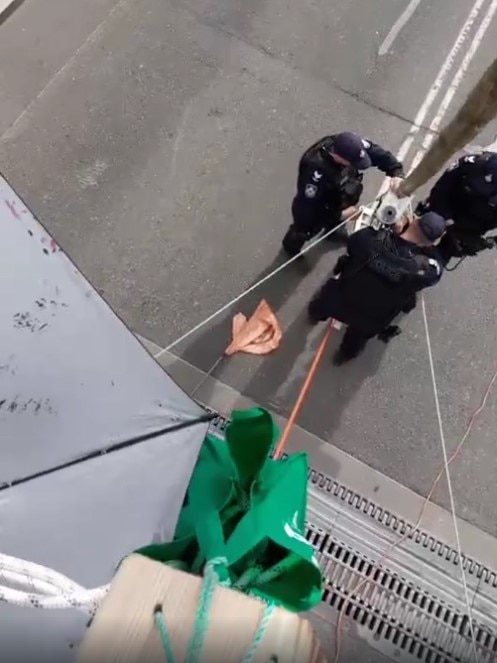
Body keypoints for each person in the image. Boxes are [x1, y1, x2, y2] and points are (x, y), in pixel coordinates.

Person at [307, 211, 446, 365]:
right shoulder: (421, 271)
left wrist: (391, 230)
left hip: (342, 297)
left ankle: (315, 314)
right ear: (430, 242)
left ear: (414, 221)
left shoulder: (370, 240)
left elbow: (353, 243)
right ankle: (345, 355)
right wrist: (427, 247)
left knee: (322, 304)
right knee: (357, 337)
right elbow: (437, 270)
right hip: (372, 316)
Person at [281, 132, 405, 257]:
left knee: (343, 202)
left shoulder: (350, 145)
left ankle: (333, 230)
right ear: (338, 157)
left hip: (339, 194)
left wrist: (396, 171)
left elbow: (375, 152)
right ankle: (291, 247)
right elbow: (308, 207)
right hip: (317, 205)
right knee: (304, 228)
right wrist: (340, 215)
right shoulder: (316, 173)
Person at [416, 151, 497, 261]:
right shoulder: (472, 163)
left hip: (470, 226)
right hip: (447, 204)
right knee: (417, 234)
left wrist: (489, 241)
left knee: (440, 257)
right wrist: (446, 216)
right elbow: (442, 188)